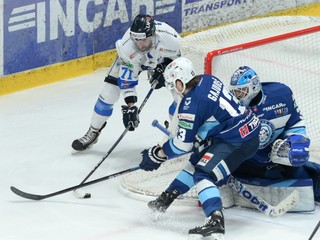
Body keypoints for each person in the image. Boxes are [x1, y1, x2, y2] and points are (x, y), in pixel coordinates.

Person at [139, 57, 261, 239]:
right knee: (197, 158)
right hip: (238, 130)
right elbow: (212, 115)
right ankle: (166, 199)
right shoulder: (207, 79)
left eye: (173, 84)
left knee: (204, 173)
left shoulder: (190, 104)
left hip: (238, 140)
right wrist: (200, 138)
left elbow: (181, 146)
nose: (172, 89)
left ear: (181, 82)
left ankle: (215, 221)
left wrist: (158, 154)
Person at [72, 14, 181, 151]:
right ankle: (93, 131)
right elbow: (127, 81)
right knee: (108, 93)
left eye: (143, 40)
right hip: (134, 62)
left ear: (152, 34)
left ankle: (175, 132)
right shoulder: (126, 47)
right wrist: (131, 106)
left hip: (160, 61)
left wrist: (165, 67)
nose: (140, 44)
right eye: (136, 40)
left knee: (180, 96)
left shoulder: (171, 40)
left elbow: (179, 62)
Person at [227, 66, 320, 203]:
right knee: (274, 173)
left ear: (253, 87)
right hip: (246, 160)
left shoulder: (281, 95)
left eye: (241, 92)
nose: (237, 96)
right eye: (235, 92)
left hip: (274, 156)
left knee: (298, 160)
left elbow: (295, 123)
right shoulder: (230, 108)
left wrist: (295, 140)